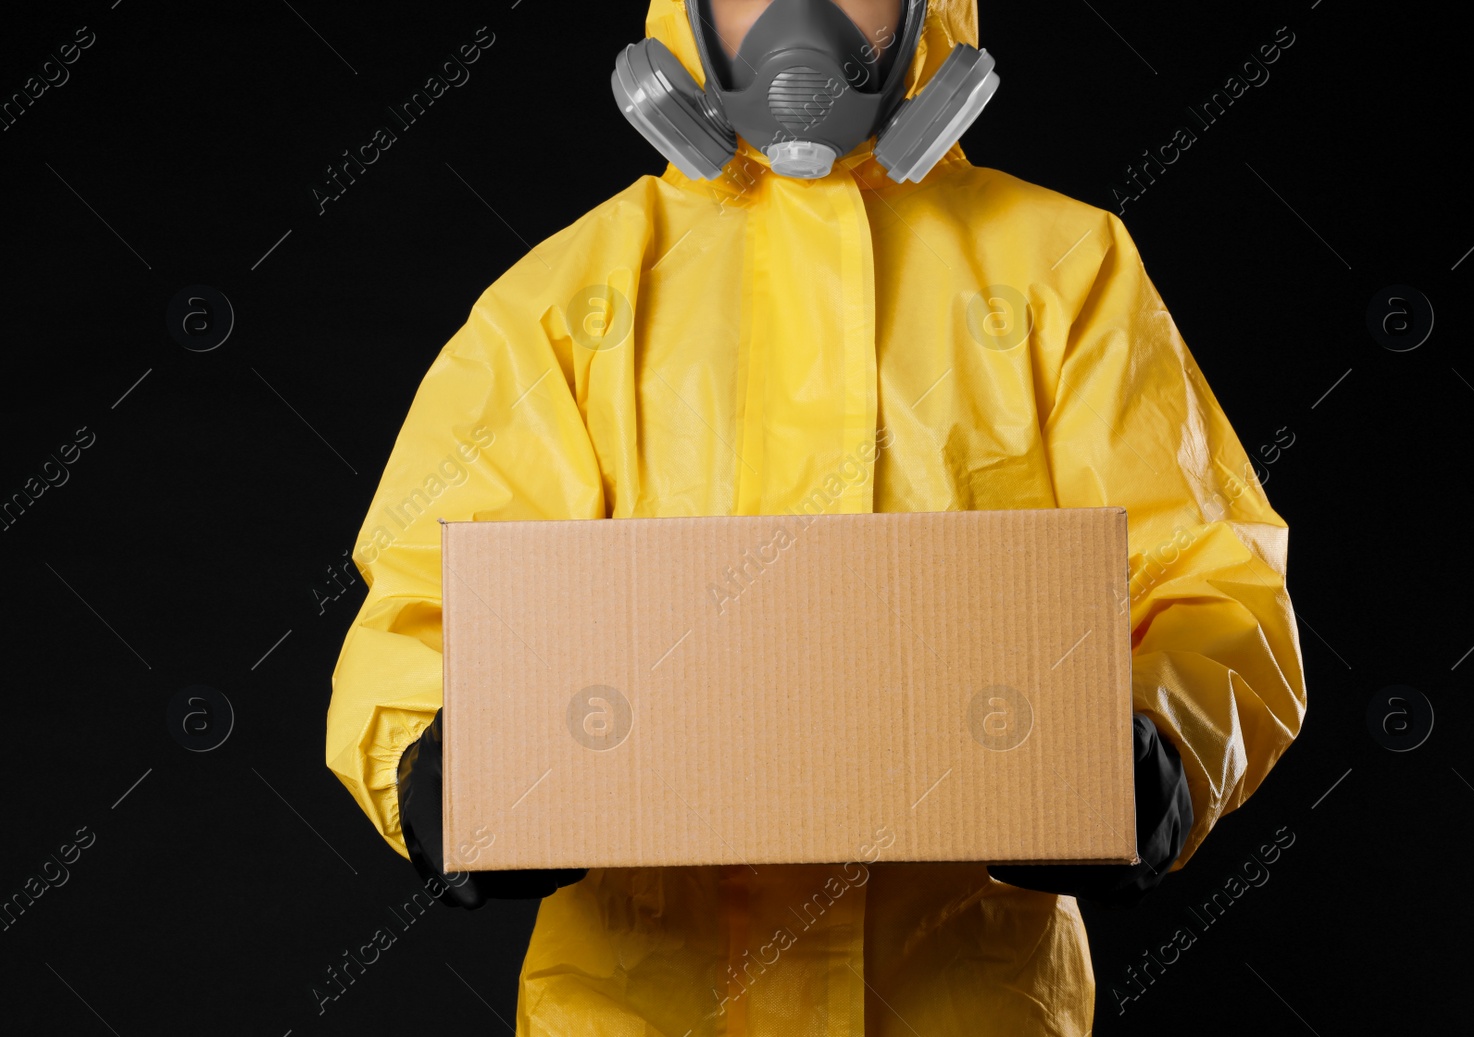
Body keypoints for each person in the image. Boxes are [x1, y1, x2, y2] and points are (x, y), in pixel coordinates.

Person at [327, 1, 1308, 1033]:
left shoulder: (1062, 274)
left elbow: (1215, 575)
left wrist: (1158, 749)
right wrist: (434, 761)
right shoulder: (572, 304)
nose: (799, 16)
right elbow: (428, 599)